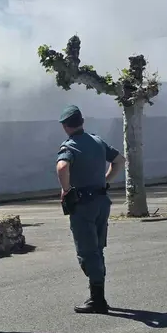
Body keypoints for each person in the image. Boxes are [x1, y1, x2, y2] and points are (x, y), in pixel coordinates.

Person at [56, 105, 125, 314]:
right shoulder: (97, 140)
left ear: (66, 126)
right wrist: (104, 182)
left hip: (83, 205)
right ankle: (98, 295)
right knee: (97, 248)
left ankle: (98, 300)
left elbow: (62, 167)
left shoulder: (70, 146)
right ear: (82, 122)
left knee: (87, 251)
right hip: (101, 201)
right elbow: (119, 160)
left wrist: (66, 190)